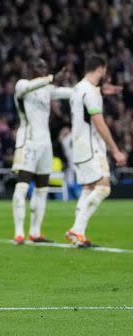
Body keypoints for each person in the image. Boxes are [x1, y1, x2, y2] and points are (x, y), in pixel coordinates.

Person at [66, 55, 127, 247]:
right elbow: (98, 122)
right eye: (105, 70)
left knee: (89, 188)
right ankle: (76, 229)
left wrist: (102, 91)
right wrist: (115, 150)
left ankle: (78, 235)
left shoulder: (78, 88)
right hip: (91, 145)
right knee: (103, 187)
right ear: (100, 69)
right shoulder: (90, 92)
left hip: (78, 145)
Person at [10, 58, 72, 244]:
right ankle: (19, 232)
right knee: (21, 187)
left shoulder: (47, 90)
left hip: (45, 145)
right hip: (28, 142)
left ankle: (35, 232)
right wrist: (52, 77)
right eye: (39, 67)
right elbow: (26, 88)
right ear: (31, 69)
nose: (43, 69)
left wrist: (95, 90)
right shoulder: (22, 85)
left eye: (45, 67)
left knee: (42, 189)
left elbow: (69, 92)